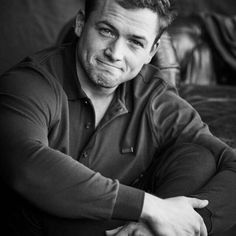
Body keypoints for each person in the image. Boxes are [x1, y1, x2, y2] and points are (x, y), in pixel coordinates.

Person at [0, 0, 236, 235]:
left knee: (199, 157)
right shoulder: (28, 83)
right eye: (106, 31)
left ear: (152, 51)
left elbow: (230, 163)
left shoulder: (154, 98)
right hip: (45, 225)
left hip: (122, 227)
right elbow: (25, 163)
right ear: (81, 24)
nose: (115, 53)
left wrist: (184, 224)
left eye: (135, 42)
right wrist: (151, 208)